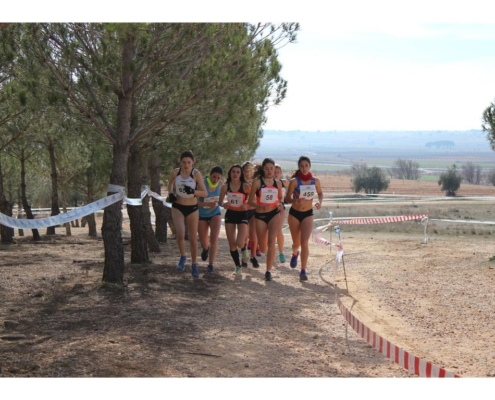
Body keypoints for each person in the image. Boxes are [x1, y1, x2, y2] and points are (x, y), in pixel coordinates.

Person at [167, 150, 208, 278]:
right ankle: (183, 257)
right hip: (178, 206)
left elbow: (205, 193)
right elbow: (170, 184)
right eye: (184, 162)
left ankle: (194, 264)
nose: (186, 165)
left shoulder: (196, 174)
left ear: (193, 163)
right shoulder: (175, 172)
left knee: (192, 238)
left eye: (189, 162)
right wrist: (171, 194)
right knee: (180, 234)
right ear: (180, 162)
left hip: (192, 208)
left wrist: (194, 191)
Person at [284, 156, 323, 281]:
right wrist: (296, 200)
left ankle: (303, 271)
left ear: (310, 166)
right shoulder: (295, 181)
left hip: (308, 213)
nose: (304, 168)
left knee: (304, 242)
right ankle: (295, 253)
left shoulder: (315, 181)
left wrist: (319, 202)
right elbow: (286, 198)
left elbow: (320, 193)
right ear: (299, 167)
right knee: (296, 243)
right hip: (295, 214)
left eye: (306, 165)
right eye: (302, 166)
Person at [247, 158, 284, 281]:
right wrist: (259, 206)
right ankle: (262, 250)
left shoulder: (277, 183)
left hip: (274, 214)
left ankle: (268, 271)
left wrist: (280, 204)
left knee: (271, 242)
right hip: (260, 216)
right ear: (263, 169)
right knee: (263, 248)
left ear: (275, 169)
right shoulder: (257, 182)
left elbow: (280, 198)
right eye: (267, 168)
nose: (269, 171)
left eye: (272, 169)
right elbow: (250, 201)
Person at [219, 164, 251, 275]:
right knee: (232, 243)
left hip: (242, 214)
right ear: (230, 173)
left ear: (241, 174)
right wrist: (224, 204)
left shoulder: (246, 186)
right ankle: (238, 266)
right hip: (230, 214)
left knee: (239, 242)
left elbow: (253, 199)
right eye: (233, 172)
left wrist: (246, 204)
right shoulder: (225, 187)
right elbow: (220, 201)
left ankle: (244, 249)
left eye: (238, 172)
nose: (235, 174)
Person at [198, 166, 223, 274]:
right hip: (202, 214)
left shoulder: (221, 185)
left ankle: (211, 264)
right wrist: (207, 204)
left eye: (218, 178)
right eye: (214, 177)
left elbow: (221, 200)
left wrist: (224, 204)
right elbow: (195, 202)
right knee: (204, 241)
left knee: (214, 239)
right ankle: (205, 249)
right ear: (210, 174)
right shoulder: (202, 183)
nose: (215, 180)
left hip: (215, 213)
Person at [242, 161, 259, 268]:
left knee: (253, 234)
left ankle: (253, 257)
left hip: (253, 211)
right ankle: (244, 257)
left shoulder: (256, 183)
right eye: (246, 170)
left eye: (250, 170)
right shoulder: (240, 183)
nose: (248, 173)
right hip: (242, 212)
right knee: (243, 237)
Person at [274, 164, 289, 263]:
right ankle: (270, 250)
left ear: (281, 173)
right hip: (268, 209)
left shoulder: (284, 183)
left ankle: (281, 253)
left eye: (278, 172)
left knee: (279, 230)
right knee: (269, 232)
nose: (275, 174)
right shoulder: (267, 182)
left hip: (280, 208)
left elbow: (294, 189)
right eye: (274, 172)